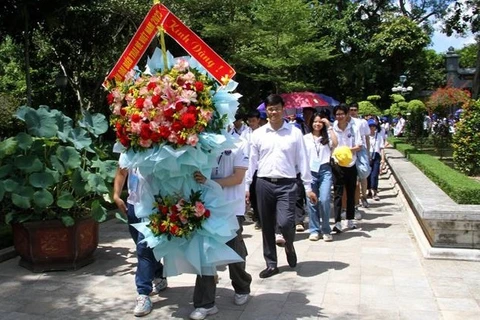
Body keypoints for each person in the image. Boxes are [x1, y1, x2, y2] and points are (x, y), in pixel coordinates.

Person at [246, 94, 317, 279]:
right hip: (263, 183)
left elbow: (303, 160)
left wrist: (308, 186)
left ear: (283, 109)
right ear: (266, 111)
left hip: (287, 184)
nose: (274, 112)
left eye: (277, 108)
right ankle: (271, 263)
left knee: (286, 222)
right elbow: (252, 162)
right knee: (267, 226)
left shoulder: (294, 133)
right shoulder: (258, 134)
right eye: (270, 109)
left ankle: (289, 245)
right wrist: (246, 186)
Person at [191, 142, 252, 320]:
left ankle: (242, 285)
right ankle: (205, 303)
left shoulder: (240, 143)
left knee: (232, 251)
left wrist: (209, 182)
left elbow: (238, 177)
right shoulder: (201, 141)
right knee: (205, 253)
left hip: (231, 208)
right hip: (206, 206)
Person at [113, 160, 168, 317]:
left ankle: (143, 293)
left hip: (153, 208)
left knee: (143, 249)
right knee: (143, 246)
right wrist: (116, 195)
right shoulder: (129, 147)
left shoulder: (158, 148)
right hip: (133, 206)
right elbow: (122, 171)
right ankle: (159, 273)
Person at [304, 111, 338, 241]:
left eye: (320, 122)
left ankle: (326, 229)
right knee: (312, 201)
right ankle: (314, 229)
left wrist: (329, 126)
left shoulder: (327, 138)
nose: (317, 124)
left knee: (324, 199)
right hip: (310, 171)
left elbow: (335, 144)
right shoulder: (305, 138)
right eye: (315, 121)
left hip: (325, 170)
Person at [331, 104, 362, 232]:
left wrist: (346, 151)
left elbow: (359, 146)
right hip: (337, 165)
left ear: (347, 114)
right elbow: (331, 145)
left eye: (342, 114)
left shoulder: (353, 128)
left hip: (351, 164)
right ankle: (337, 221)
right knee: (338, 194)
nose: (340, 116)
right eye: (337, 114)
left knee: (350, 192)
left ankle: (350, 220)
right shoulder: (333, 128)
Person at [240, 110, 263, 230]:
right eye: (249, 121)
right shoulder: (245, 133)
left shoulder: (263, 132)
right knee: (252, 194)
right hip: (248, 167)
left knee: (260, 193)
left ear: (258, 120)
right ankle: (257, 216)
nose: (251, 123)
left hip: (260, 167)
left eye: (253, 121)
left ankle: (261, 218)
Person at [348, 103, 371, 212]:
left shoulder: (363, 122)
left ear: (358, 110)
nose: (353, 111)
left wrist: (368, 152)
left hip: (361, 149)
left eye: (355, 110)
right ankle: (355, 201)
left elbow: (367, 137)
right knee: (354, 178)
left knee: (364, 174)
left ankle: (364, 196)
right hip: (351, 149)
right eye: (351, 109)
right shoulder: (347, 121)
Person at [367, 118, 384, 201]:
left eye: (373, 126)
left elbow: (382, 148)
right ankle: (369, 190)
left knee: (375, 174)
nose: (372, 128)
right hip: (367, 155)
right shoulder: (365, 136)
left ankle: (375, 192)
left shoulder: (379, 135)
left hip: (376, 156)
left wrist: (383, 159)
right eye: (370, 126)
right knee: (368, 175)